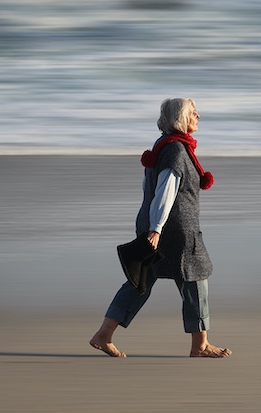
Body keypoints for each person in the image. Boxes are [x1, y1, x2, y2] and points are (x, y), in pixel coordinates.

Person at [89, 98, 231, 358]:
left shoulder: (164, 145)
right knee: (195, 278)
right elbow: (166, 190)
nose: (198, 115)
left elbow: (149, 188)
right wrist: (156, 228)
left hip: (156, 223)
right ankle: (200, 345)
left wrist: (149, 224)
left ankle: (104, 334)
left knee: (141, 280)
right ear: (180, 118)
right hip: (175, 229)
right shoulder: (176, 150)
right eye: (192, 112)